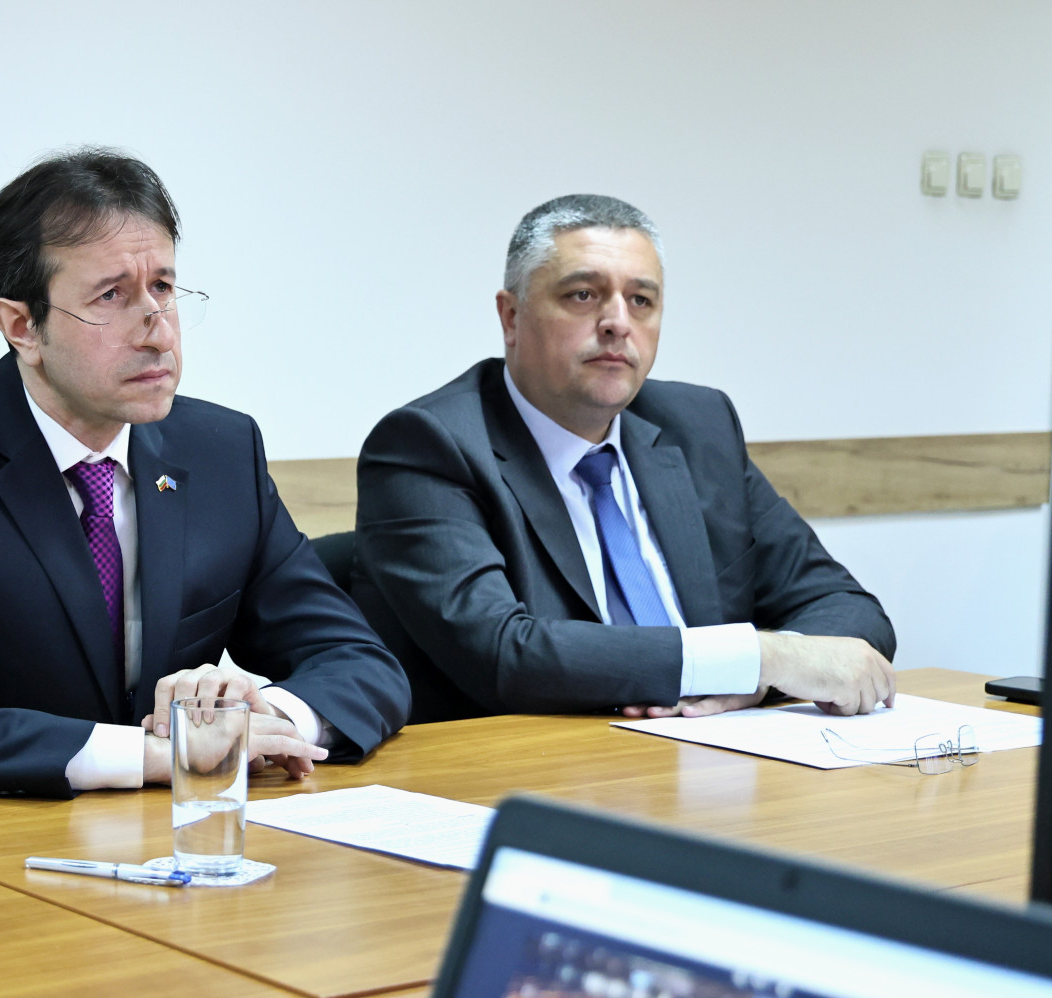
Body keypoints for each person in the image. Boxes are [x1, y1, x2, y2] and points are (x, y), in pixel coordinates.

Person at [0, 149, 409, 796]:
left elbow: (359, 661)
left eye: (163, 288)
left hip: (159, 838)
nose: (158, 332)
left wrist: (268, 722)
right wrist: (157, 755)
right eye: (111, 296)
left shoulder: (220, 451)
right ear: (22, 327)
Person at [352, 194, 895, 722]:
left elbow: (847, 607)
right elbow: (502, 653)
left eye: (641, 300)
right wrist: (756, 658)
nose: (617, 322)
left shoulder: (699, 426)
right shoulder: (427, 444)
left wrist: (761, 673)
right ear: (511, 317)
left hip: (714, 756)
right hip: (538, 764)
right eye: (583, 295)